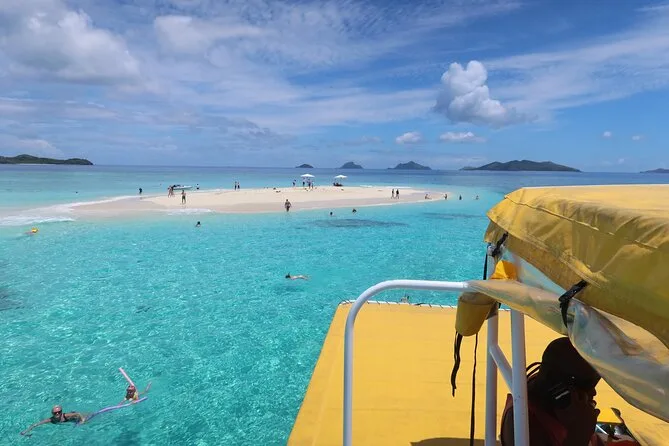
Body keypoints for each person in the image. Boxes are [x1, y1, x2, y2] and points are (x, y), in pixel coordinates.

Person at [500, 337, 602, 446]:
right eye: (586, 384)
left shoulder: (564, 409)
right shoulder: (520, 423)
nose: (593, 392)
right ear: (559, 389)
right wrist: (579, 434)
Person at [20, 405, 85, 436]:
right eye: (55, 413)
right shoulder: (50, 420)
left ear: (61, 412)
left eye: (59, 412)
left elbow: (78, 414)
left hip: (71, 419)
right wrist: (25, 432)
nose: (57, 413)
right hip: (64, 421)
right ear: (52, 413)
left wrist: (82, 421)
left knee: (75, 416)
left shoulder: (65, 415)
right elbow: (35, 425)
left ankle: (72, 413)